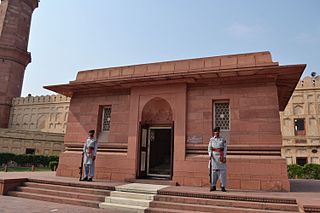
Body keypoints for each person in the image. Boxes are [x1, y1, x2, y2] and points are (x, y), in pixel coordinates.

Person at [208, 127, 227, 192]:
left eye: (218, 132)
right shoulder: (211, 139)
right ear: (214, 133)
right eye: (216, 133)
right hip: (214, 158)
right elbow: (209, 148)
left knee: (222, 172)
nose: (217, 134)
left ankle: (223, 186)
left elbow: (225, 148)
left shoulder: (222, 139)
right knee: (214, 172)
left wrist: (224, 156)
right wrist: (210, 155)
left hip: (221, 156)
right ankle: (213, 185)